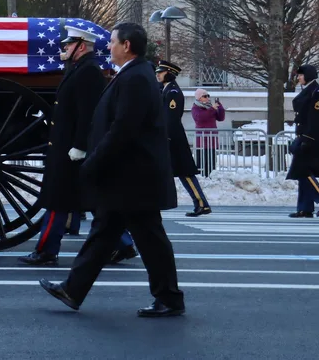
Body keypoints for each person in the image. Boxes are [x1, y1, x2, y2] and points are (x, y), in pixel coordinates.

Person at [39, 22, 185, 318]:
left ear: (127, 46)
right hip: (127, 177)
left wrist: (93, 162)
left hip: (134, 177)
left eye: (113, 42)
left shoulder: (136, 79)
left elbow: (123, 130)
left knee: (149, 239)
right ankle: (73, 289)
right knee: (104, 233)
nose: (109, 47)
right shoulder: (134, 74)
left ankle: (169, 297)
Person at [19, 25, 106, 266]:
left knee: (59, 199)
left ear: (81, 46)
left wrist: (79, 146)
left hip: (71, 148)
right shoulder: (79, 69)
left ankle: (46, 249)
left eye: (69, 44)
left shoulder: (88, 72)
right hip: (65, 145)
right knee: (81, 198)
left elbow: (87, 113)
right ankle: (123, 243)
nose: (64, 47)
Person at [157, 61, 212, 217]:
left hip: (173, 139)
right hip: (171, 137)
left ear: (168, 73)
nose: (158, 75)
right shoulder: (166, 89)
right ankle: (200, 204)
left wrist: (166, 137)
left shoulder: (172, 92)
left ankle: (201, 204)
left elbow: (171, 119)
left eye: (160, 72)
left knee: (185, 173)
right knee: (180, 173)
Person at [288, 64, 319, 218]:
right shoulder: (309, 89)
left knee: (303, 170)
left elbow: (315, 118)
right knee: (302, 171)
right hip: (305, 135)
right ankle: (305, 208)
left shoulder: (317, 91)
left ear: (308, 75)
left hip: (312, 137)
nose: (299, 78)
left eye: (301, 75)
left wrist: (307, 139)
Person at [191, 88, 226, 176]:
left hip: (212, 140)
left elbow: (220, 118)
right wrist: (212, 109)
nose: (207, 98)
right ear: (199, 98)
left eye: (208, 96)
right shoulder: (196, 107)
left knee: (212, 163)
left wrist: (220, 107)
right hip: (202, 141)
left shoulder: (210, 107)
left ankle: (211, 178)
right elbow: (201, 117)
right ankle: (202, 179)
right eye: (205, 96)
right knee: (202, 163)